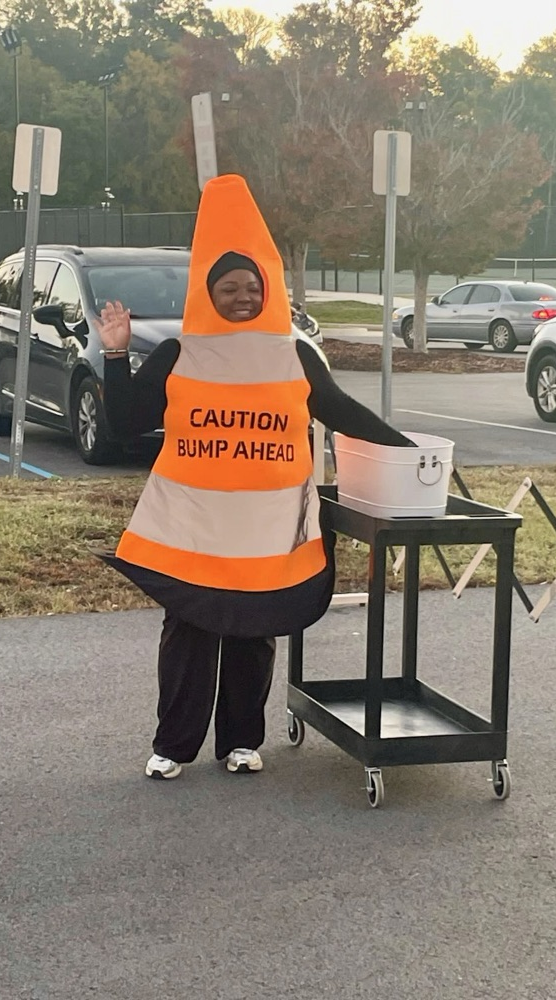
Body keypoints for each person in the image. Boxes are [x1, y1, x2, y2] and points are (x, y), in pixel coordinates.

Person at [95, 174, 415, 781]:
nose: (242, 297)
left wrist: (409, 451)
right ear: (205, 291)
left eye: (252, 287)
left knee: (253, 631)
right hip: (193, 528)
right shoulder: (177, 353)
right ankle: (173, 746)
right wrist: (115, 353)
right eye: (227, 287)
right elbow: (123, 423)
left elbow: (341, 413)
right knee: (188, 631)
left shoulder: (294, 354)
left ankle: (242, 740)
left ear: (268, 292)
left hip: (267, 529)